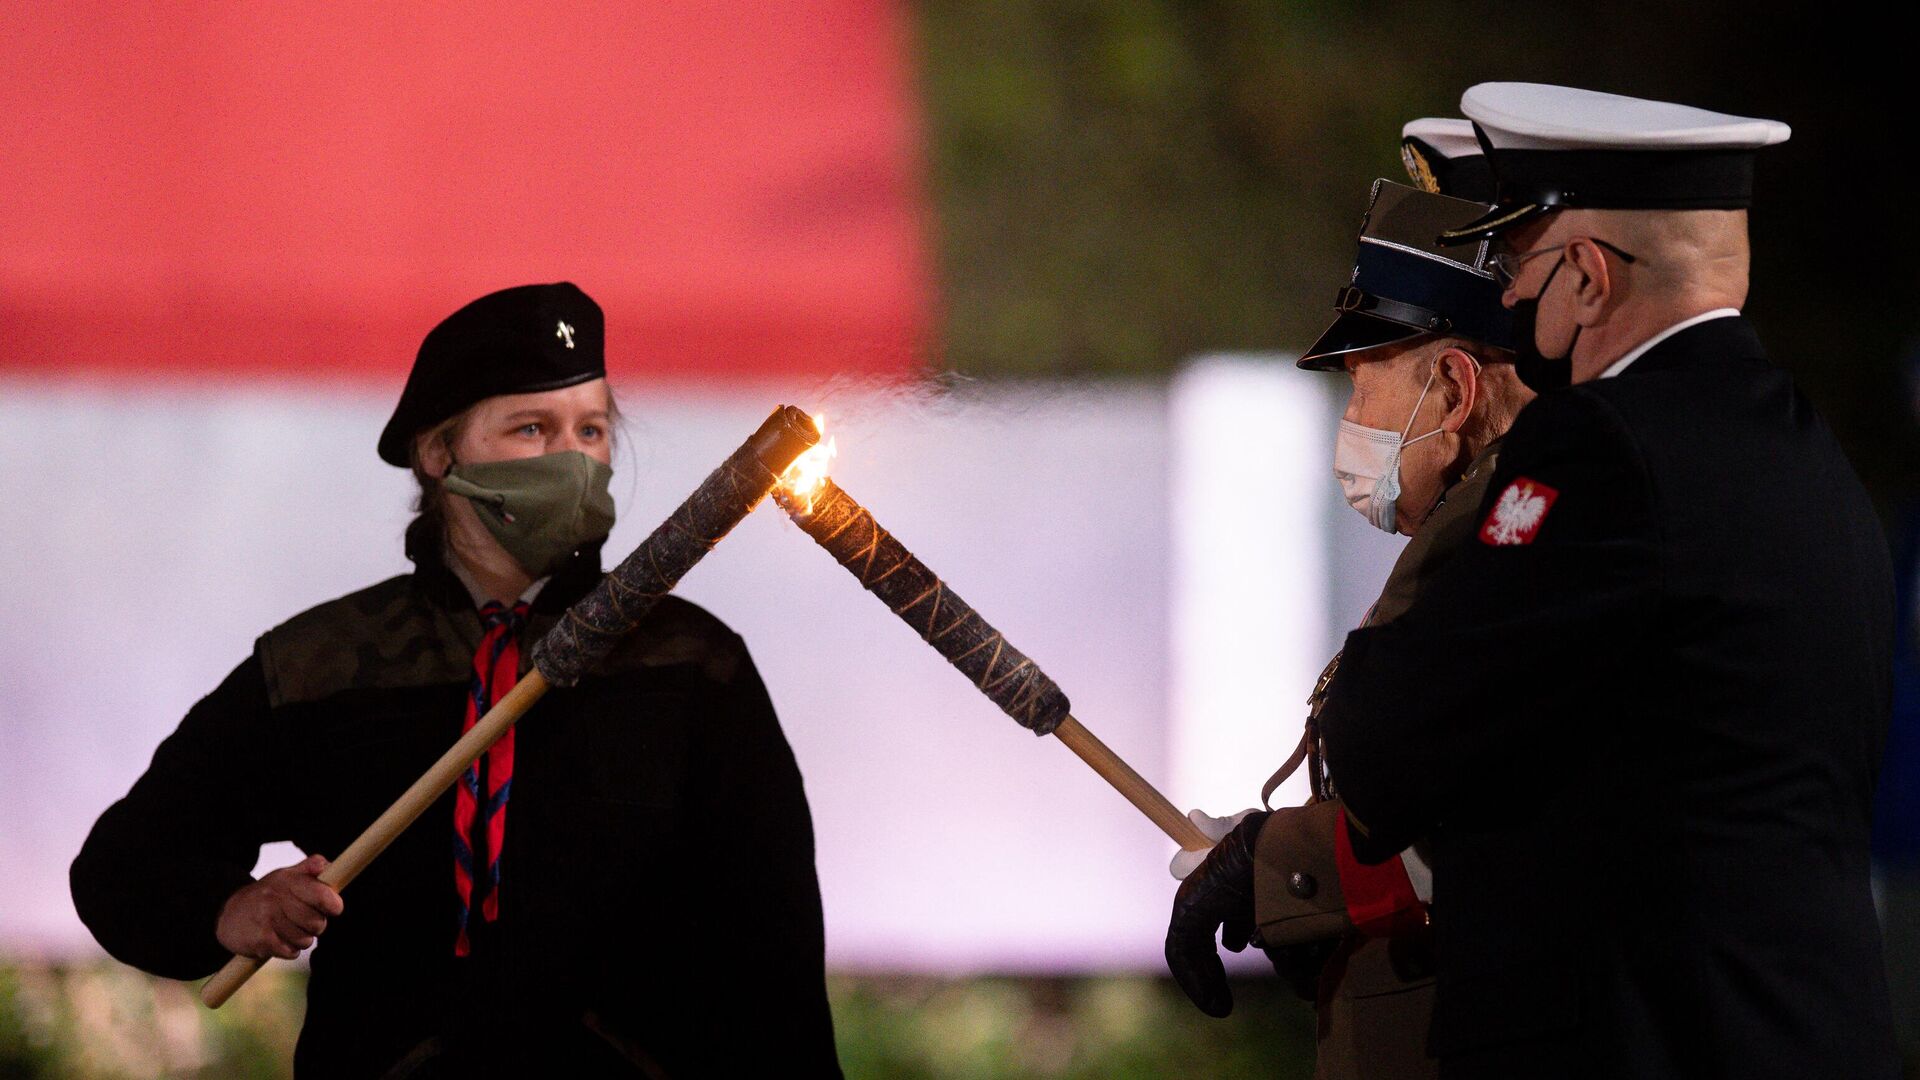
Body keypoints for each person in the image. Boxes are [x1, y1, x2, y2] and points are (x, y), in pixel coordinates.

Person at [71, 283, 842, 1078]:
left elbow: (775, 955)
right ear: (439, 454)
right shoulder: (322, 665)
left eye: (593, 429)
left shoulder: (690, 667)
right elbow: (122, 867)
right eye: (532, 428)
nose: (573, 458)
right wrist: (230, 908)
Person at [1312, 84, 1895, 1076]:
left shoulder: (1606, 449)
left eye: (1525, 260)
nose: (1505, 295)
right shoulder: (1802, 452)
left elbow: (1385, 737)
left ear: (1586, 274)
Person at [1165, 131, 1531, 1080]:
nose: (1354, 427)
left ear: (1451, 389)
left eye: (1366, 387)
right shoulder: (1482, 533)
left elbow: (1495, 833)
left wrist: (1284, 862)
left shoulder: (1518, 554)